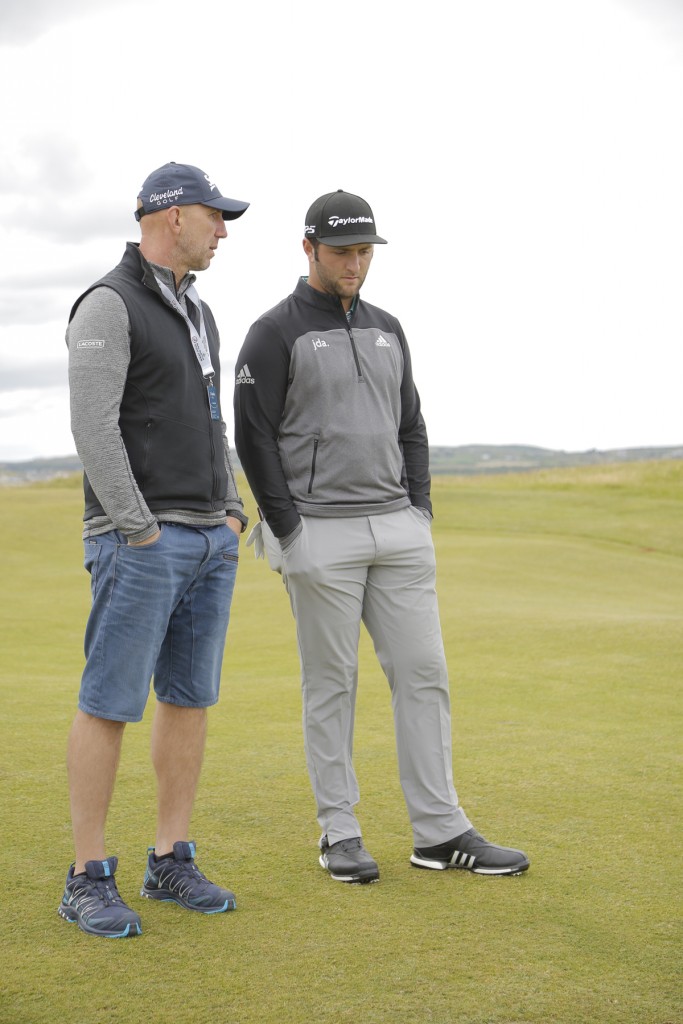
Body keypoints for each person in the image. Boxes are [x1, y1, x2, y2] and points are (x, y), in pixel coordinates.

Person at [233, 189, 529, 884]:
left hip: (397, 529)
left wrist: (417, 511)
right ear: (308, 249)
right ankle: (339, 832)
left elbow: (411, 426)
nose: (354, 264)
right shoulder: (273, 332)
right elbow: (253, 438)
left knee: (424, 676)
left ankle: (439, 832)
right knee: (331, 684)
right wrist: (288, 532)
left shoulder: (388, 327)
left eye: (364, 251)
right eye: (341, 251)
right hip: (318, 532)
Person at [60, 162, 249, 937]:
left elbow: (213, 420)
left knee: (188, 699)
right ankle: (86, 875)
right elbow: (92, 429)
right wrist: (138, 528)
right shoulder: (109, 303)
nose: (223, 231)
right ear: (174, 217)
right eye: (215, 217)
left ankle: (169, 857)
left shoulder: (199, 312)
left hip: (210, 537)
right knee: (110, 701)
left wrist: (233, 509)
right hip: (141, 541)